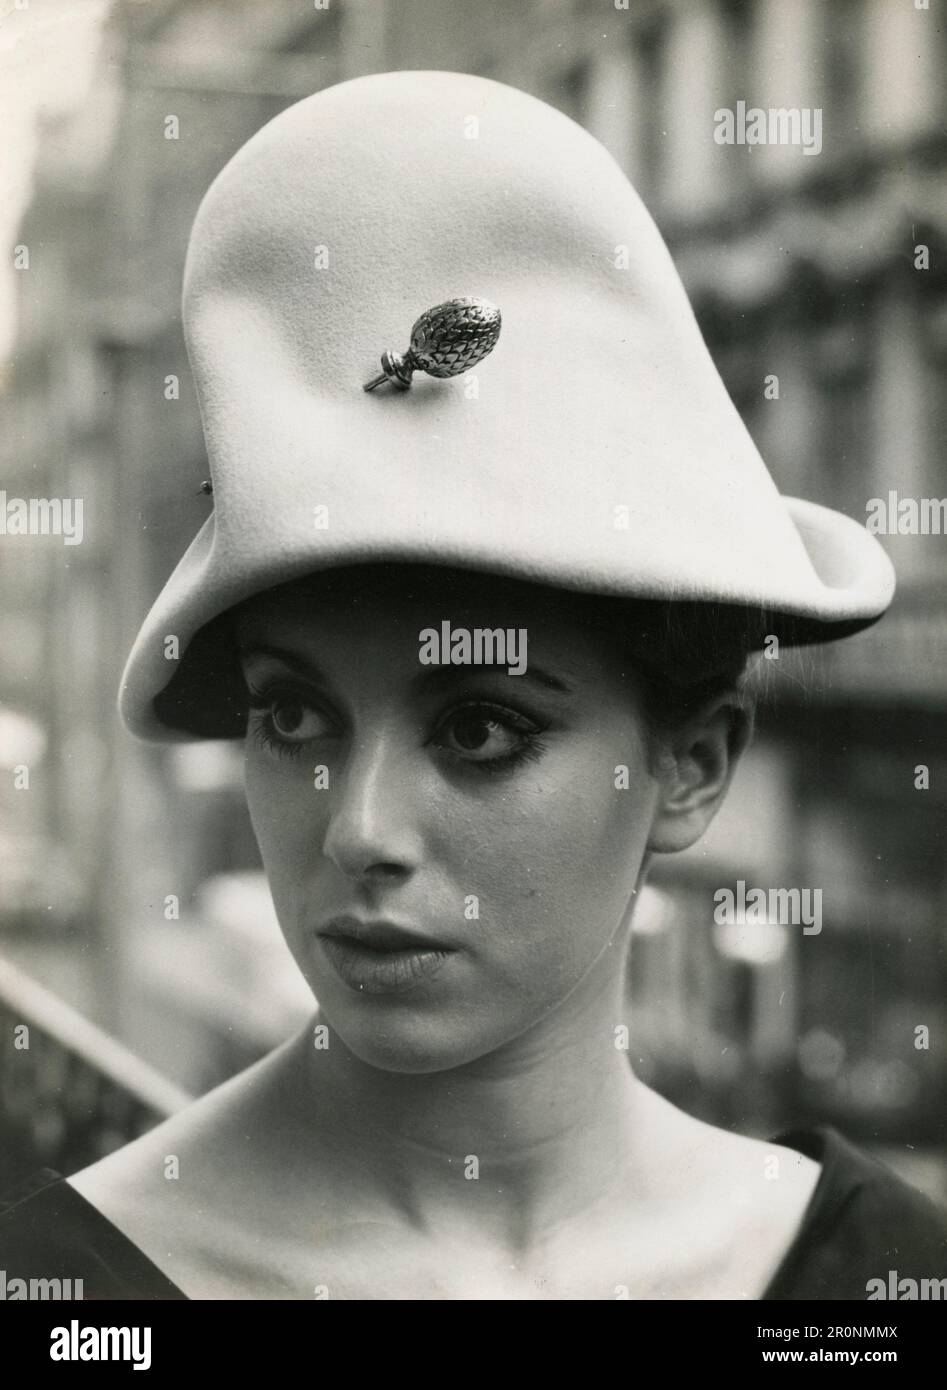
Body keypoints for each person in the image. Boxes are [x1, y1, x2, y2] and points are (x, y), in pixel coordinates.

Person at [1, 71, 944, 1301]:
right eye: (293, 715)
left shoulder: (878, 1287)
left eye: (480, 727)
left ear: (691, 761)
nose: (359, 828)